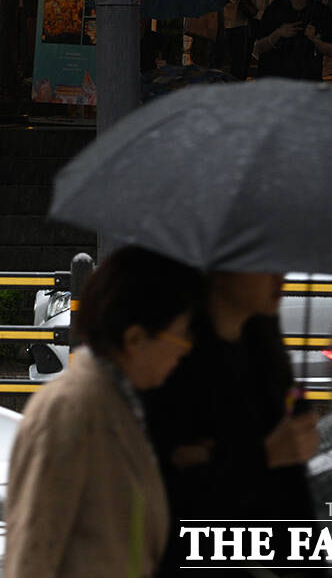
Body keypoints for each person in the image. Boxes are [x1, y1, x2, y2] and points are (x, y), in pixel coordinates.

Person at [5, 247, 205, 578]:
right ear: (136, 339)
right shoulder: (69, 410)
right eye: (180, 339)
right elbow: (31, 556)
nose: (185, 352)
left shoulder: (124, 404)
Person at [145, 272, 319, 573]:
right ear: (221, 272)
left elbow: (290, 484)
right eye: (265, 264)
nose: (281, 278)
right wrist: (265, 455)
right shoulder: (174, 364)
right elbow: (174, 498)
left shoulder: (263, 342)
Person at [254, 0, 332, 80]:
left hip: (307, 78)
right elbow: (258, 47)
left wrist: (315, 40)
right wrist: (277, 34)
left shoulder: (321, 11)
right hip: (275, 78)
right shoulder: (275, 8)